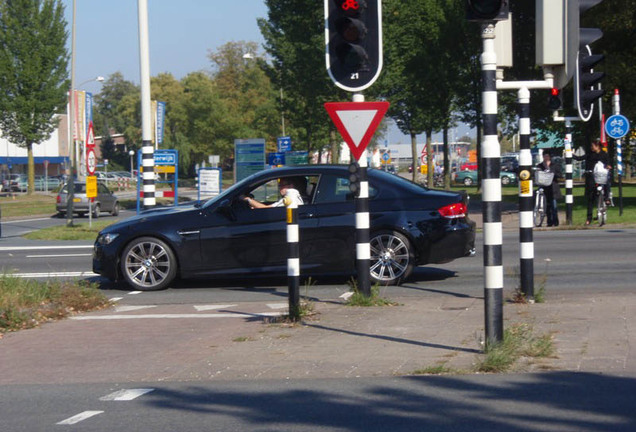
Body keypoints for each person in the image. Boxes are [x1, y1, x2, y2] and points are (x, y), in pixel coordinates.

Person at [573, 140, 611, 225]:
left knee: (606, 182)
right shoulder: (590, 154)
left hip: (601, 176)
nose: (591, 148)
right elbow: (580, 158)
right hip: (592, 177)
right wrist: (570, 155)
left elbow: (608, 163)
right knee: (590, 199)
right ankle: (588, 218)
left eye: (593, 146)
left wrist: (608, 166)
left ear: (598, 146)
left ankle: (607, 198)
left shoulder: (604, 154)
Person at [536, 150, 562, 227]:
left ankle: (555, 221)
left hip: (553, 188)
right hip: (544, 188)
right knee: (546, 206)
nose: (546, 158)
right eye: (544, 156)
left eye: (547, 156)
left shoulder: (554, 165)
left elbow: (559, 174)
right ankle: (549, 221)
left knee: (554, 206)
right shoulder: (540, 166)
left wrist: (553, 174)